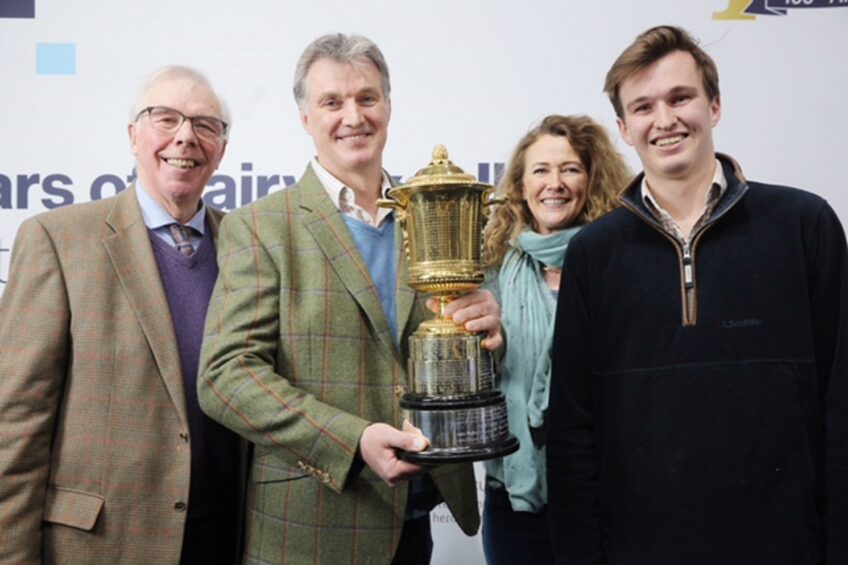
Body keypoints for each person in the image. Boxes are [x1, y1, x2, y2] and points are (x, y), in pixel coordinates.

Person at [546, 25, 848, 564]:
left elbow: (840, 405)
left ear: (714, 106)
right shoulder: (594, 253)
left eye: (680, 97)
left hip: (786, 546)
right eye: (643, 107)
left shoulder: (805, 226)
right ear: (623, 127)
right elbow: (573, 430)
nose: (664, 120)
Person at [197, 33, 501, 565]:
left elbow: (447, 358)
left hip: (416, 516)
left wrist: (488, 337)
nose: (353, 116)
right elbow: (226, 376)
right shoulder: (260, 226)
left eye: (367, 98)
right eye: (331, 102)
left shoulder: (434, 213)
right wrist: (351, 441)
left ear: (388, 106)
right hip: (311, 525)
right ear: (305, 118)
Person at [0, 66, 242, 564]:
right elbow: (16, 423)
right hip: (99, 545)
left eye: (205, 125)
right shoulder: (56, 240)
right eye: (165, 118)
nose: (185, 137)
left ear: (221, 147)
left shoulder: (250, 244)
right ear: (133, 135)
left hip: (222, 539)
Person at [480, 115, 630, 565]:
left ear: (592, 180)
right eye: (541, 170)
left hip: (604, 487)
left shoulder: (620, 264)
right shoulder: (492, 271)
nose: (555, 183)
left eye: (570, 169)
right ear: (521, 186)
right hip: (513, 493)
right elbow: (478, 381)